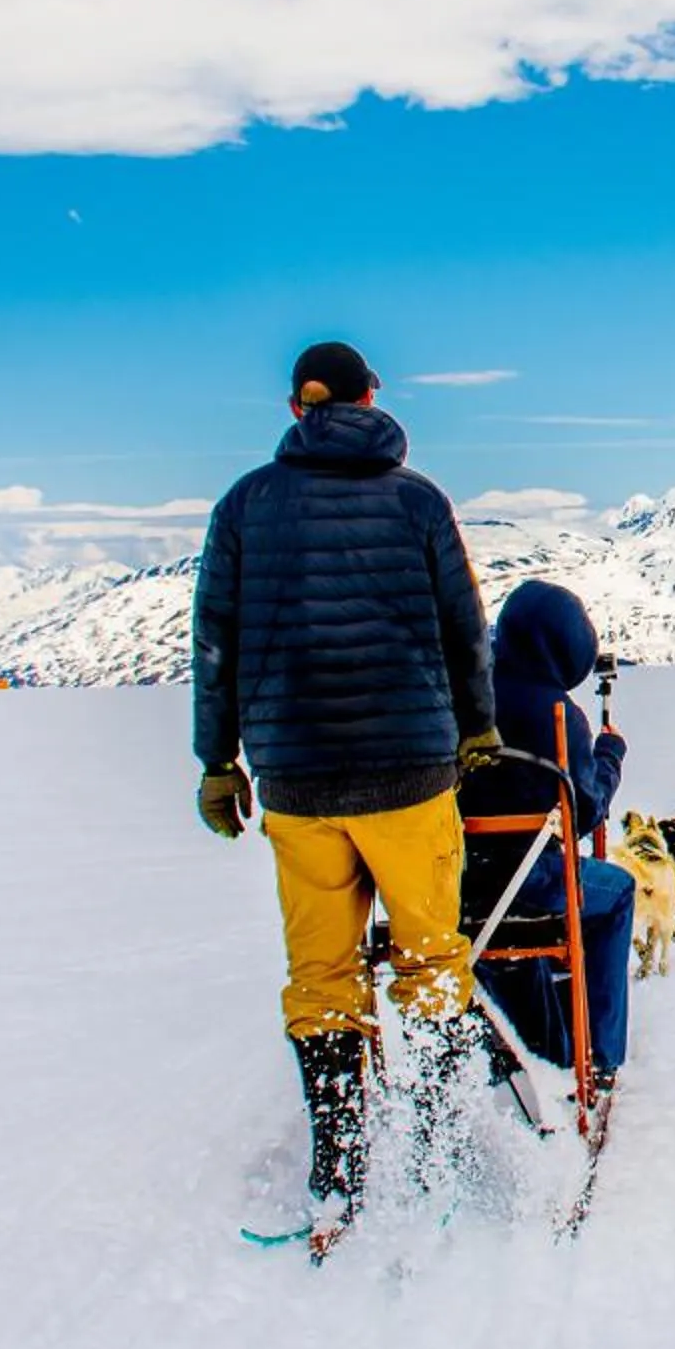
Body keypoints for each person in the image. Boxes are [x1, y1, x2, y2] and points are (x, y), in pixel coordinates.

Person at [190, 339, 502, 1244]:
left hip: (297, 780)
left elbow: (214, 645)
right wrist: (477, 730)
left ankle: (340, 1168)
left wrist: (219, 762)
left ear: (298, 408)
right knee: (431, 958)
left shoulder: (245, 506)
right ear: (374, 397)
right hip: (411, 774)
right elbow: (464, 629)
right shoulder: (418, 501)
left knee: (321, 978)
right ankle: (436, 1149)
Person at [472, 579, 635, 1090]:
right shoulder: (560, 716)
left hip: (453, 882)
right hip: (532, 883)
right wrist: (610, 757)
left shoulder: (459, 698)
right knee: (617, 893)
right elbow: (585, 812)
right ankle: (601, 1054)